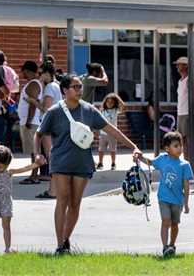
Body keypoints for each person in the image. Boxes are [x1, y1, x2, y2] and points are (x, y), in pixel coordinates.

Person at [34, 73, 142, 254]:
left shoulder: (89, 110)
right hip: (60, 162)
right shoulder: (54, 112)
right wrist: (38, 154)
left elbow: (110, 129)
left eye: (80, 87)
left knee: (75, 204)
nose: (79, 90)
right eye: (75, 87)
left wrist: (134, 147)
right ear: (64, 91)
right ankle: (60, 245)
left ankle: (66, 239)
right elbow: (38, 134)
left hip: (82, 163)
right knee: (62, 200)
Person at [0, 145, 46, 255]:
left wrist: (37, 164)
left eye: (4, 166)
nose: (1, 169)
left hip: (6, 202)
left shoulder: (9, 172)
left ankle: (7, 249)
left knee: (6, 226)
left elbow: (24, 169)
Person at [139, 131, 193, 257]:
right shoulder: (162, 159)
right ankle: (164, 247)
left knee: (174, 224)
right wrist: (139, 156)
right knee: (165, 221)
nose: (179, 148)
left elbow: (186, 185)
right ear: (167, 148)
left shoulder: (185, 165)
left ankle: (172, 245)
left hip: (178, 200)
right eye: (176, 146)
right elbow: (150, 162)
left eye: (180, 145)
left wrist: (186, 203)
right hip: (163, 198)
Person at [26, 59, 62, 198]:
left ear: (47, 73)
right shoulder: (57, 85)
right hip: (57, 124)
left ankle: (53, 190)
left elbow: (46, 109)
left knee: (51, 156)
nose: (39, 76)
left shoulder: (49, 87)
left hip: (49, 125)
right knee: (53, 155)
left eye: (41, 73)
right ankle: (57, 188)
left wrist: (32, 101)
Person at [18, 60, 43, 185]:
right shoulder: (32, 83)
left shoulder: (33, 84)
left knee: (34, 151)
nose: (21, 73)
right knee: (33, 151)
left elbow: (33, 104)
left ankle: (34, 176)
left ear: (27, 71)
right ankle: (34, 174)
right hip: (30, 121)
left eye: (22, 71)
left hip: (31, 122)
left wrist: (28, 120)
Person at [174, 56, 194, 162]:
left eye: (179, 64)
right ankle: (186, 159)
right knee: (183, 139)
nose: (177, 66)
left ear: (185, 66)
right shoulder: (180, 80)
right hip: (180, 112)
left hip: (188, 113)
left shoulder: (190, 79)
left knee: (191, 138)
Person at [96, 93, 125, 171]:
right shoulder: (102, 110)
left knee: (112, 149)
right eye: (108, 102)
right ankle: (100, 162)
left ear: (115, 103)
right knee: (101, 149)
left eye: (111, 102)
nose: (109, 103)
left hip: (112, 133)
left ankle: (113, 163)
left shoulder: (115, 110)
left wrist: (117, 97)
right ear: (105, 102)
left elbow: (123, 106)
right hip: (103, 133)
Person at [0, 50, 19, 116]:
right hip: (14, 86)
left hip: (9, 85)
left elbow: (1, 81)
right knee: (5, 96)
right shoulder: (7, 67)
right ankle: (14, 106)